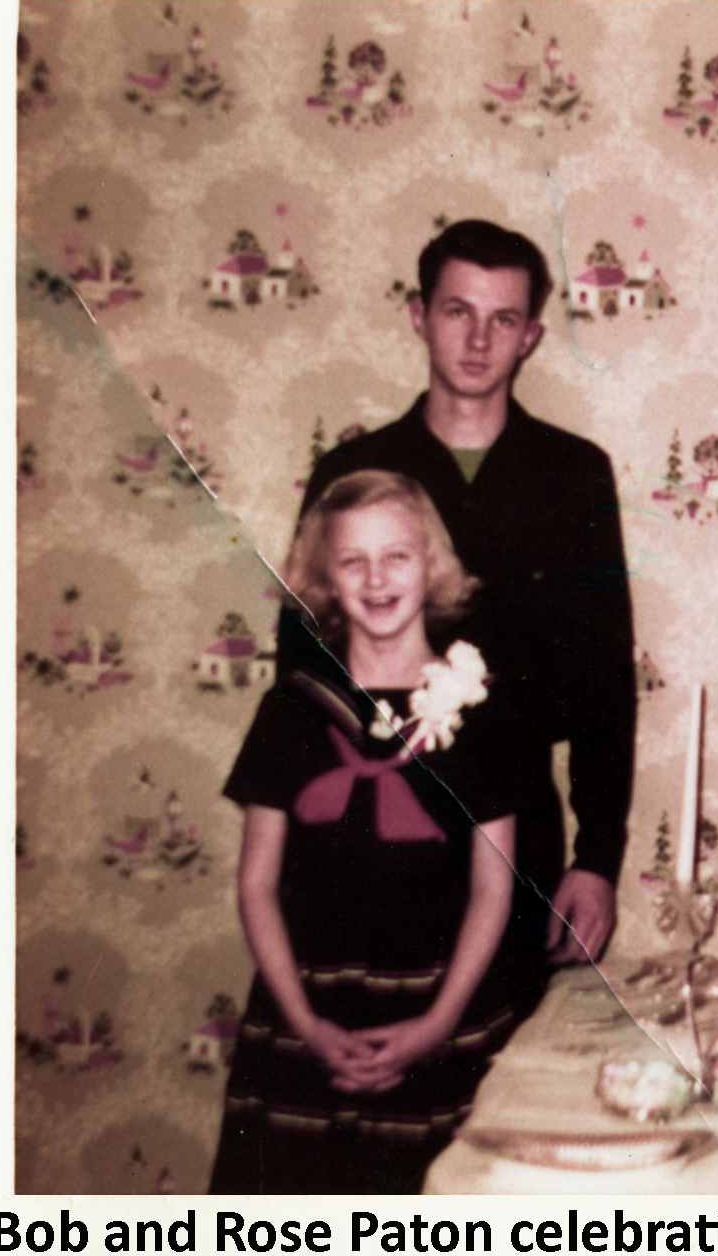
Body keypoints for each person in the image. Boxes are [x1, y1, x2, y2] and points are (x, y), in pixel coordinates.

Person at [284, 219, 636, 993]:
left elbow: (606, 680)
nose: (478, 340)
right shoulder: (354, 470)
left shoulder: (573, 475)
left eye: (502, 318)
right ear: (419, 317)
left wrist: (597, 857)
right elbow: (300, 667)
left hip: (519, 831)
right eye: (457, 311)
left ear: (530, 337)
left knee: (494, 1071)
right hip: (364, 824)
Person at [211, 471, 527, 1193]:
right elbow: (256, 885)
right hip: (306, 1019)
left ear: (431, 566)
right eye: (353, 561)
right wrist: (307, 1024)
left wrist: (436, 1023)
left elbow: (493, 886)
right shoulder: (290, 710)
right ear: (325, 577)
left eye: (397, 557)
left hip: (443, 1013)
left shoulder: (483, 712)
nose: (376, 578)